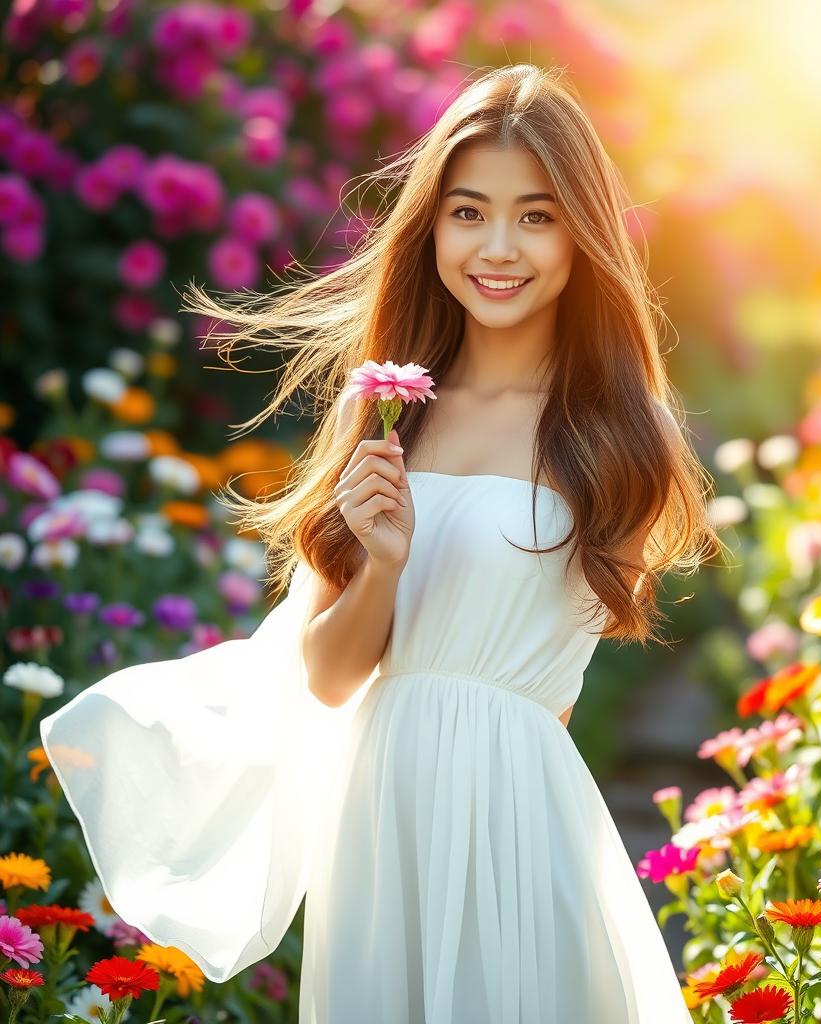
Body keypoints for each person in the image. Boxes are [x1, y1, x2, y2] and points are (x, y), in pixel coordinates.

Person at [40, 63, 723, 1022]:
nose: (498, 247)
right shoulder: (388, 411)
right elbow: (325, 674)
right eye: (467, 211)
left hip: (516, 812)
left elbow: (557, 670)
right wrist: (384, 564)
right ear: (431, 224)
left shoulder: (613, 431)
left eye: (536, 215)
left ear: (582, 232)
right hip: (380, 814)